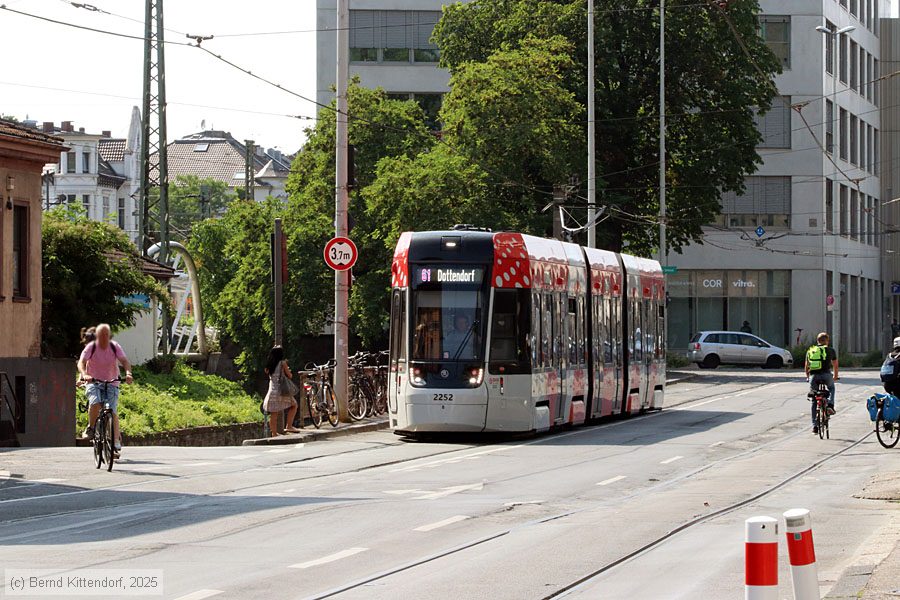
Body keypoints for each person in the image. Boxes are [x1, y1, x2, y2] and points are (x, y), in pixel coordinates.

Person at [77, 324, 133, 456]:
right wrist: (85, 375)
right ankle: (91, 428)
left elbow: (125, 361)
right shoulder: (92, 347)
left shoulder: (114, 346)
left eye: (106, 335)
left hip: (112, 382)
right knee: (95, 403)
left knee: (112, 411)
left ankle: (114, 441)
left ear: (109, 336)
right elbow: (81, 362)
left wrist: (129, 373)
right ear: (97, 336)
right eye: (101, 335)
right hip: (94, 382)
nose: (104, 337)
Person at [805, 332, 839, 434]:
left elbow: (807, 366)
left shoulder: (811, 350)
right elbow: (835, 365)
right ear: (827, 341)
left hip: (814, 376)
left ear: (817, 341)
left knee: (814, 400)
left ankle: (815, 426)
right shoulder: (831, 350)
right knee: (831, 388)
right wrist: (835, 376)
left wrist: (808, 377)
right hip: (826, 375)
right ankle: (830, 405)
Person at [263, 345, 301, 436]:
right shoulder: (282, 363)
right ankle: (289, 426)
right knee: (294, 405)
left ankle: (274, 433)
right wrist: (288, 370)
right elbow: (290, 376)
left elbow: (269, 373)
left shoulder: (269, 365)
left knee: (274, 413)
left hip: (272, 391)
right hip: (281, 391)